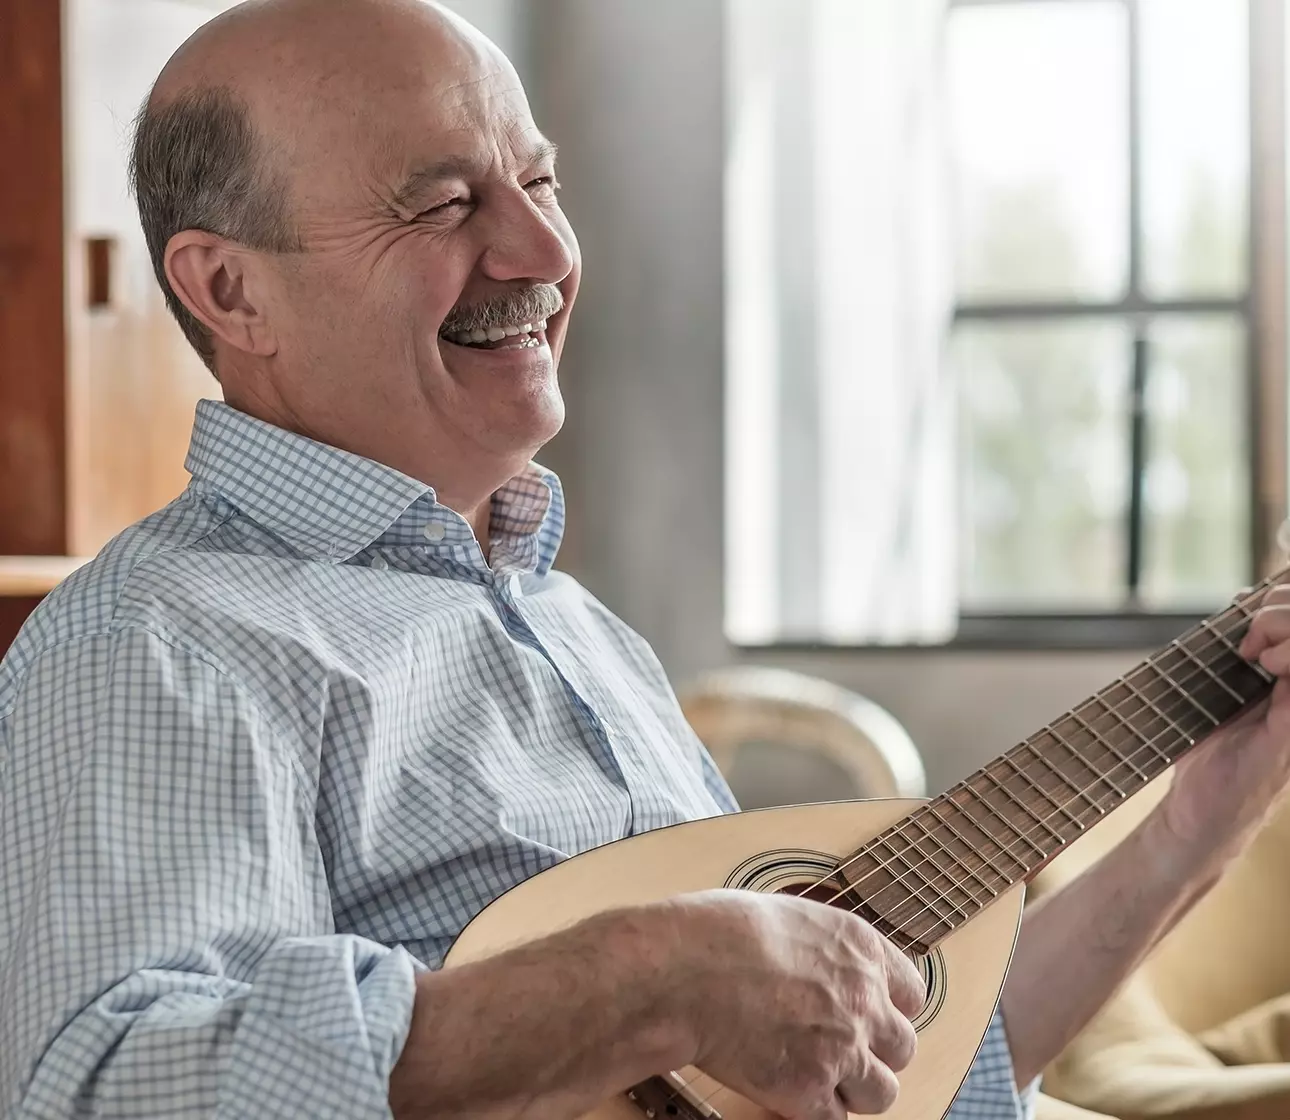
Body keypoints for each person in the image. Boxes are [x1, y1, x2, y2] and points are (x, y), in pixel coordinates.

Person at [3, 2, 1290, 1117]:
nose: (548, 255)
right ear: (231, 293)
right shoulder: (157, 641)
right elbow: (105, 1081)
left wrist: (1194, 828)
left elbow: (888, 1079)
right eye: (447, 203)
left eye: (541, 184)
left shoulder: (577, 630)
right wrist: (645, 982)